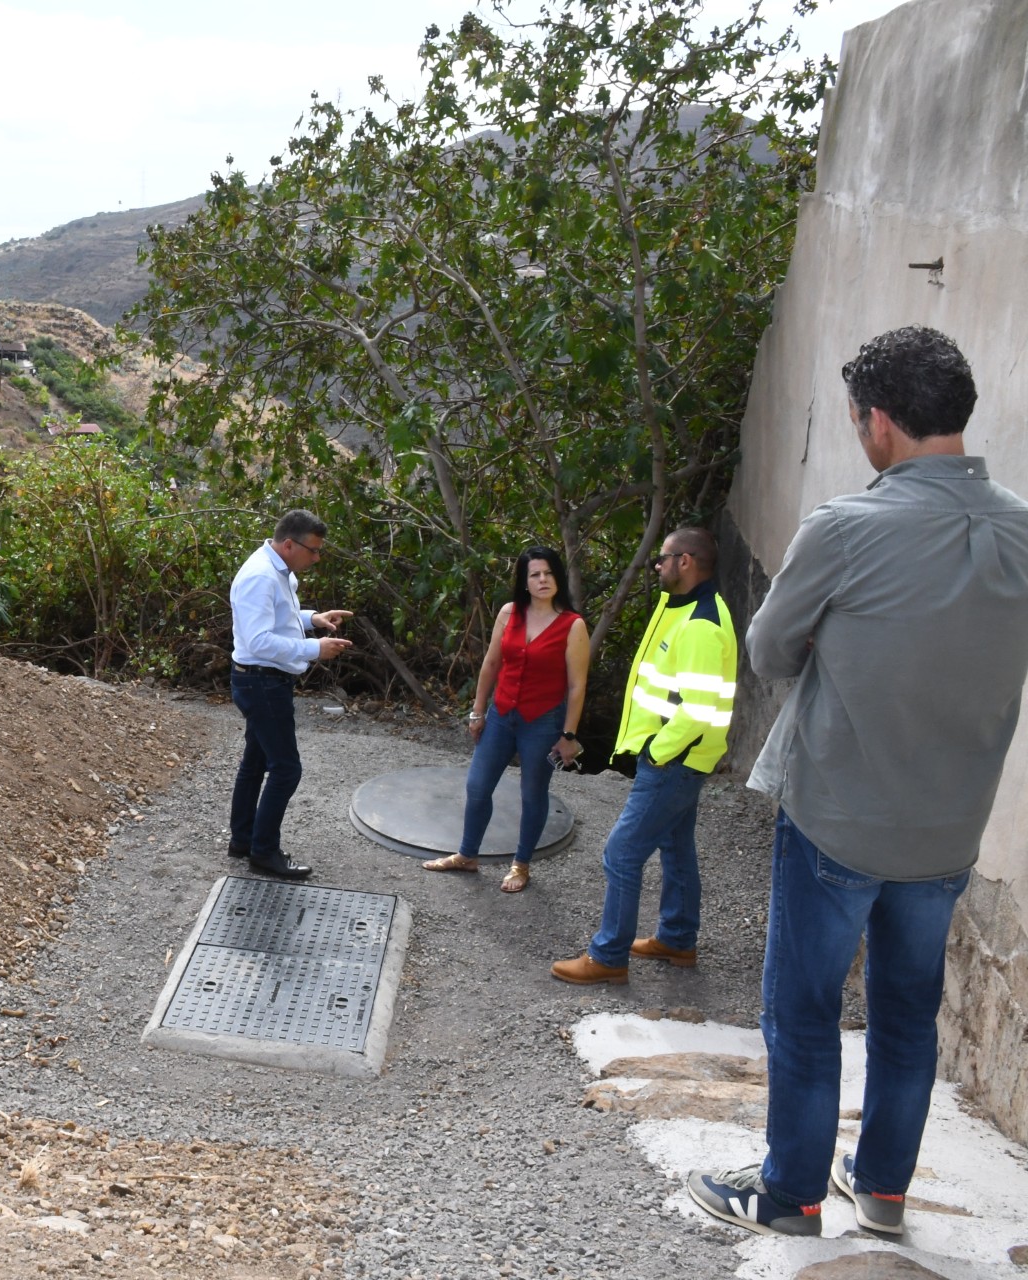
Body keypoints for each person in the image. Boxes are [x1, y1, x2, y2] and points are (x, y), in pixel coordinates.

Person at [687, 327, 1028, 1238]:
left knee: (801, 1011)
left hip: (839, 819)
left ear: (880, 422)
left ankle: (790, 1194)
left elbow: (767, 651)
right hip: (950, 831)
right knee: (908, 1017)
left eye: (855, 418)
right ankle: (881, 1191)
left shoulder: (847, 526)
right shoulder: (1022, 528)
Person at [551, 526, 737, 984]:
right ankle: (676, 938)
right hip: (681, 759)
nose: (657, 565)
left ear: (686, 562)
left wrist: (657, 752)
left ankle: (609, 955)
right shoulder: (682, 609)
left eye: (665, 557)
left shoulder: (699, 624)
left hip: (674, 761)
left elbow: (696, 710)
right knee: (675, 848)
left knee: (622, 852)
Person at [423, 546, 590, 892]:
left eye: (548, 573)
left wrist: (569, 735)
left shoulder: (573, 626)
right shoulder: (509, 613)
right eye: (535, 574)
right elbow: (491, 664)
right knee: (478, 785)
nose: (543, 580)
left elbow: (576, 686)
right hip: (501, 714)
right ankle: (467, 855)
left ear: (558, 577)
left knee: (533, 794)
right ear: (525, 581)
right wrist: (477, 710)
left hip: (543, 722)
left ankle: (521, 864)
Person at [227, 509, 352, 880]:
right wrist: (315, 649)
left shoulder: (278, 570)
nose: (316, 558)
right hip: (261, 683)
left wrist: (312, 619)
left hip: (264, 680)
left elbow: (276, 620)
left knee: (256, 763)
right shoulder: (260, 577)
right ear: (288, 544)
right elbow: (258, 640)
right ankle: (264, 852)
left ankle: (244, 840)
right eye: (313, 550)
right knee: (286, 768)